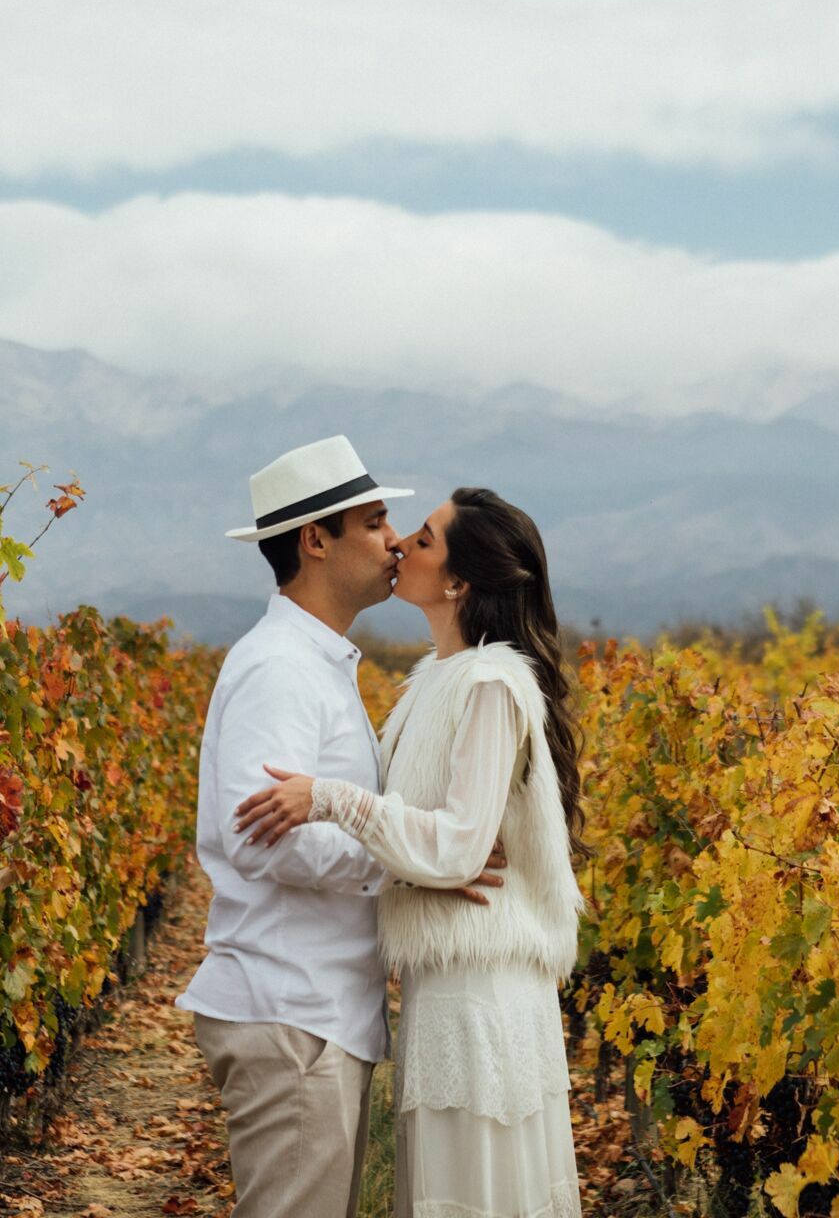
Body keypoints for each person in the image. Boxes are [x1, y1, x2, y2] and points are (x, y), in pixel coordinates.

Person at [235, 486, 588, 1218]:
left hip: (484, 991)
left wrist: (330, 798)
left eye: (422, 539)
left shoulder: (491, 684)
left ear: (459, 580)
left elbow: (458, 846)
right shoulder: (438, 680)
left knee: (476, 1195)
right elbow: (433, 845)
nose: (399, 545)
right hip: (447, 983)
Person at [177, 437, 506, 1218]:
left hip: (313, 1012)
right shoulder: (281, 670)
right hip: (292, 1011)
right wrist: (412, 864)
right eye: (373, 521)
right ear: (314, 541)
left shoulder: (315, 663)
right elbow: (271, 837)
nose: (393, 539)